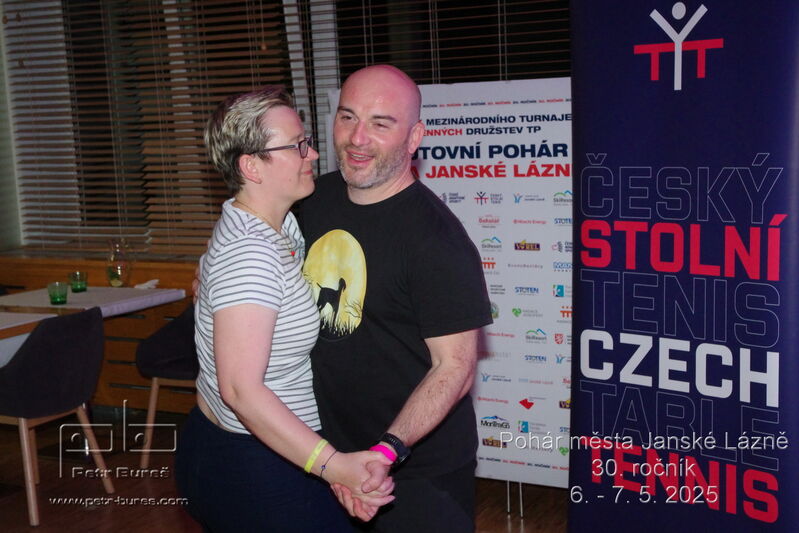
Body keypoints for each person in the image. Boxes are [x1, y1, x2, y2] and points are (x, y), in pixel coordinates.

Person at [174, 86, 395, 532]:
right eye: (296, 146)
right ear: (251, 166)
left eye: (306, 140)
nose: (312, 153)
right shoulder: (250, 253)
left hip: (270, 450)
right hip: (251, 462)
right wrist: (335, 466)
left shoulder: (280, 226)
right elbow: (241, 391)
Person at [300, 64, 492, 532]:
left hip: (414, 472)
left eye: (380, 124)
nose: (357, 138)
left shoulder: (437, 240)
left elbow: (454, 368)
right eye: (348, 117)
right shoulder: (310, 200)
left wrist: (386, 451)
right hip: (324, 458)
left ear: (414, 138)